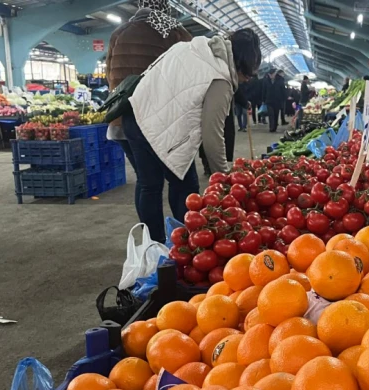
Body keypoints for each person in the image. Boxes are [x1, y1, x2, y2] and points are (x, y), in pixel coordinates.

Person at [123, 29, 261, 243]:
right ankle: (186, 243)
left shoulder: (194, 47)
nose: (245, 81)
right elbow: (212, 134)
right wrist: (223, 178)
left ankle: (154, 247)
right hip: (160, 127)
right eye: (248, 75)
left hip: (134, 115)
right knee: (186, 187)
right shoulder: (221, 79)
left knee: (149, 184)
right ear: (241, 64)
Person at [105, 0, 191, 178]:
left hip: (122, 119)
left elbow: (109, 75)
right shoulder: (172, 31)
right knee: (180, 180)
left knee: (146, 182)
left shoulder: (119, 32)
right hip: (158, 121)